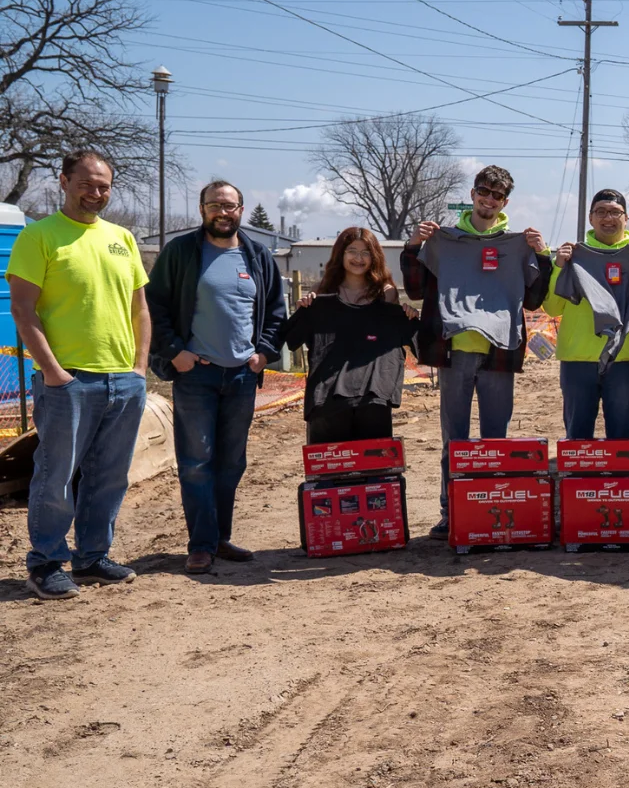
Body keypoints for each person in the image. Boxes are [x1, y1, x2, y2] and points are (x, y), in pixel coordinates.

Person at [7, 151, 149, 600]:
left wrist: (139, 368)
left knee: (110, 475)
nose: (97, 192)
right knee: (56, 475)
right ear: (64, 180)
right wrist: (52, 371)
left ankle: (92, 557)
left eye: (104, 185)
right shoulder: (39, 237)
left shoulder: (122, 238)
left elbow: (139, 308)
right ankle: (46, 563)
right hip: (67, 380)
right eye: (87, 183)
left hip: (122, 379)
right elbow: (22, 309)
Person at [146, 180, 288, 575]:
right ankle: (201, 545)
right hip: (196, 376)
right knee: (196, 462)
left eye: (229, 206)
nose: (222, 212)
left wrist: (264, 354)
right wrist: (176, 352)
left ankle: (220, 538)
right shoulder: (182, 252)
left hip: (242, 376)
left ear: (241, 209)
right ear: (202, 209)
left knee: (231, 463)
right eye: (214, 205)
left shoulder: (257, 256)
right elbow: (153, 305)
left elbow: (277, 313)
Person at [402, 165, 551, 540]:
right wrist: (414, 246)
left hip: (499, 350)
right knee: (455, 438)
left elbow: (533, 299)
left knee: (494, 440)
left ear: (505, 201)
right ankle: (451, 512)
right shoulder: (445, 240)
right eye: (484, 191)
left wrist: (542, 256)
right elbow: (417, 291)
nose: (489, 199)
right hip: (454, 351)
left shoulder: (515, 243)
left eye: (497, 195)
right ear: (472, 193)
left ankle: (489, 508)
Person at [546, 189, 629, 439]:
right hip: (578, 360)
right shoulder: (573, 257)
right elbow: (553, 308)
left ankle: (621, 480)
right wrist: (558, 268)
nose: (608, 218)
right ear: (591, 218)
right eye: (601, 212)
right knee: (577, 439)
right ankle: (579, 479)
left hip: (625, 360)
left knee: (622, 439)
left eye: (614, 212)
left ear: (626, 218)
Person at [284, 227, 418, 444]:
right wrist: (305, 310)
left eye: (366, 252)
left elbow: (400, 334)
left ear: (374, 256)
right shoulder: (322, 292)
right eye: (352, 251)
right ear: (340, 254)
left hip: (373, 394)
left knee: (374, 464)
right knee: (331, 463)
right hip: (327, 393)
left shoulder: (386, 293)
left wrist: (410, 315)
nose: (359, 258)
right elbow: (292, 338)